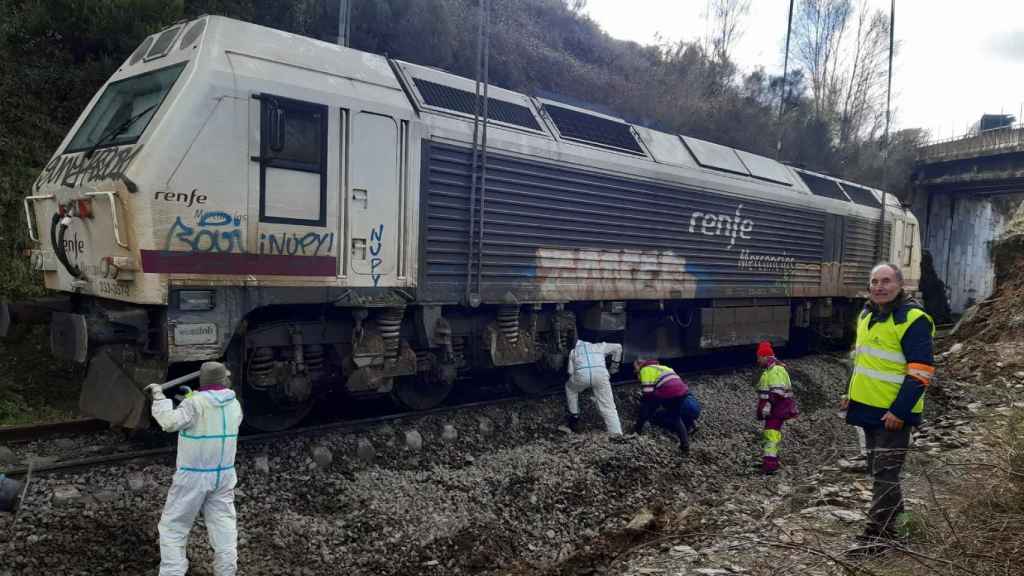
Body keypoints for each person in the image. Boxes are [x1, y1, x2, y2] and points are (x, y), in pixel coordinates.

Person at [844, 262, 935, 554]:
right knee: (881, 472)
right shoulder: (866, 315)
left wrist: (899, 411)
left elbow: (921, 372)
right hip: (867, 408)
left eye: (886, 281)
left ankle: (876, 536)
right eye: (874, 282)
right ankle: (899, 529)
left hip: (892, 414)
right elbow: (863, 361)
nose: (879, 287)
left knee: (885, 473)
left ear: (900, 285)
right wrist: (850, 393)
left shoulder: (913, 319)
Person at [145, 362, 244, 576]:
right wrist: (192, 399)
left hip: (193, 477)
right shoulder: (234, 404)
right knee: (224, 527)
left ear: (202, 380)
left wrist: (159, 397)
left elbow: (168, 423)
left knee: (173, 528)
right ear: (223, 380)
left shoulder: (194, 404)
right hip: (224, 475)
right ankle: (226, 572)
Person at [632, 359, 701, 455]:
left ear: (640, 366)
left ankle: (637, 430)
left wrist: (643, 404)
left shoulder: (645, 370)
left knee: (646, 409)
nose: (635, 372)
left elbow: (648, 393)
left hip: (667, 390)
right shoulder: (664, 367)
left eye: (635, 369)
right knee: (675, 417)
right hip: (682, 391)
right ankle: (685, 446)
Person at [754, 341, 799, 475]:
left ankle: (770, 464)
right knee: (771, 435)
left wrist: (768, 405)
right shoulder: (772, 370)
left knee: (771, 436)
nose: (757, 360)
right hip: (776, 410)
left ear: (765, 356)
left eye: (759, 357)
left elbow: (777, 391)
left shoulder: (775, 370)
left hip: (776, 410)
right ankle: (770, 461)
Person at [564, 338, 624, 434]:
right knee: (608, 407)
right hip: (601, 376)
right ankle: (616, 433)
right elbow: (618, 347)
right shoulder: (599, 346)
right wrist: (614, 366)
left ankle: (574, 416)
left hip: (582, 377)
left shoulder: (573, 351)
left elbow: (570, 371)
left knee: (570, 388)